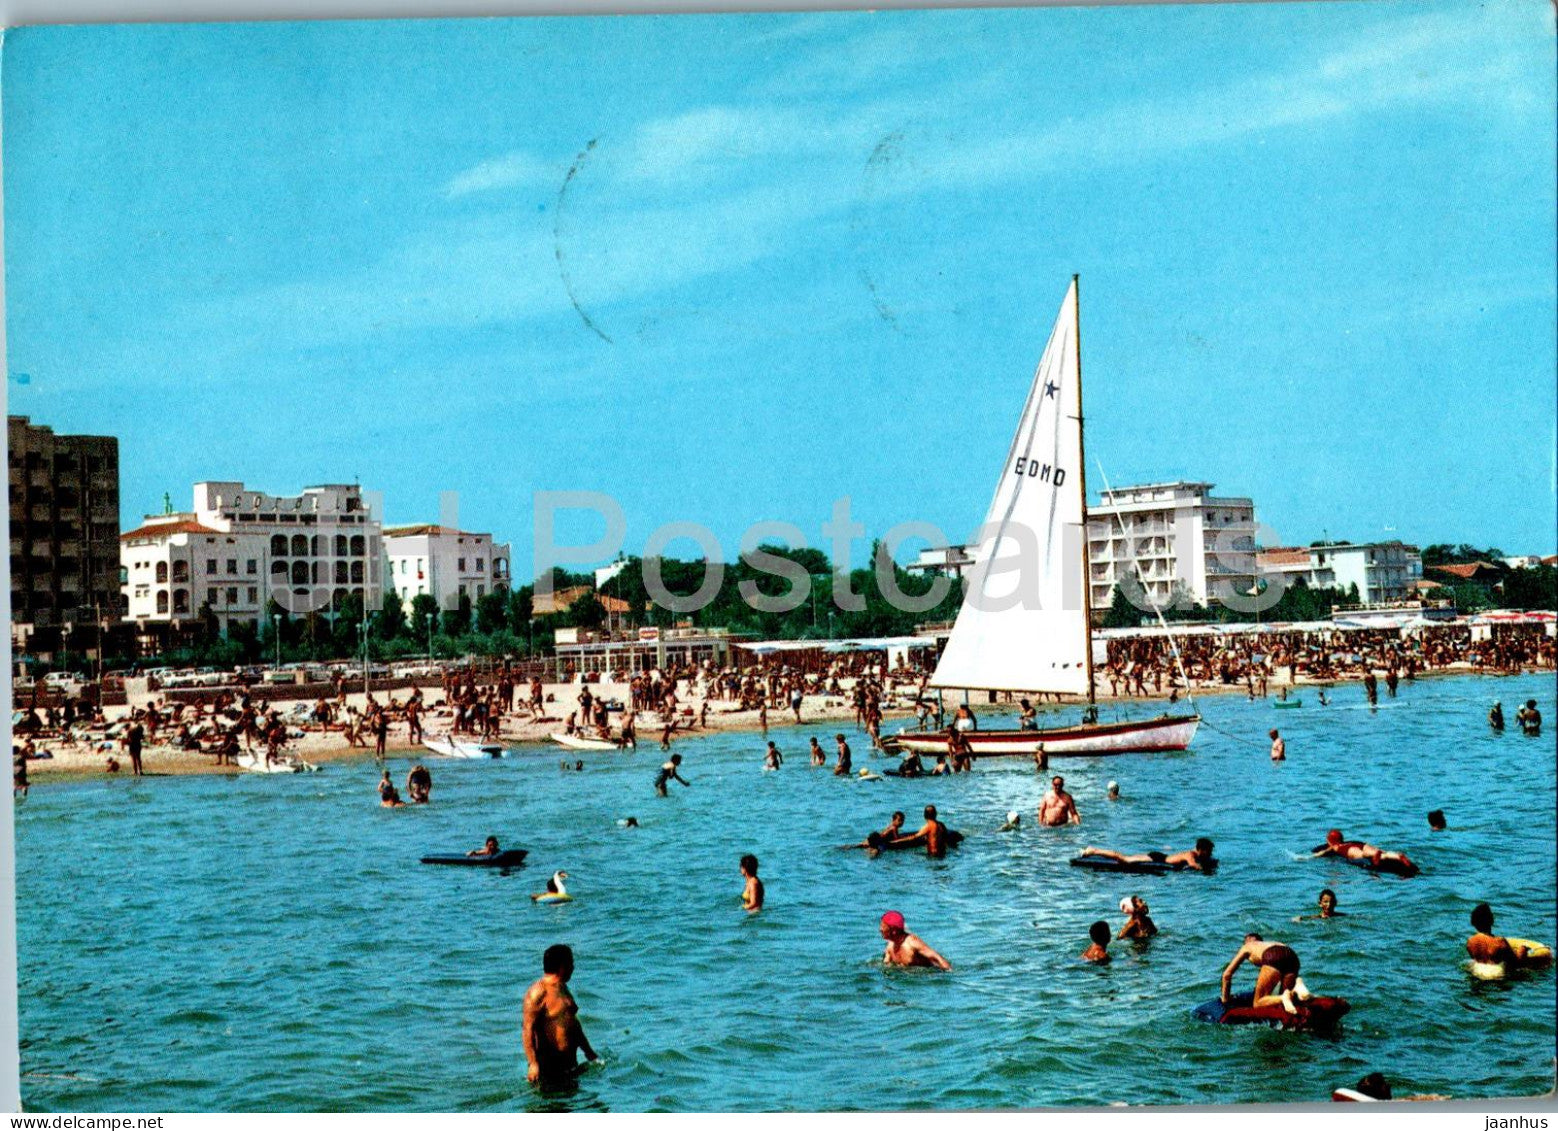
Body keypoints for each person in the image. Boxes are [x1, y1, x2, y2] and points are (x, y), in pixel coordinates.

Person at [521, 944, 599, 1086]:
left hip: (569, 1068)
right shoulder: (537, 992)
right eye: (572, 963)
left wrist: (589, 1052)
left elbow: (573, 1024)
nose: (574, 968)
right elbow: (528, 1029)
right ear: (563, 966)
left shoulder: (562, 987)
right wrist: (533, 1064)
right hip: (549, 1072)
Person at [1221, 933, 1310, 1013]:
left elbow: (1227, 975)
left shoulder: (1247, 946)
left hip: (1273, 954)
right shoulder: (1271, 943)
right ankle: (1297, 987)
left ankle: (1282, 997)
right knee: (1288, 1000)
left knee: (1258, 1003)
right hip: (1292, 955)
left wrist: (1225, 1001)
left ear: (1247, 941)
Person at [1312, 829, 1416, 874]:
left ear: (1330, 841)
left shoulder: (1336, 847)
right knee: (1384, 853)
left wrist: (1311, 857)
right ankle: (1397, 856)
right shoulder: (1352, 841)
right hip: (1361, 844)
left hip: (1350, 850)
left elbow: (1324, 852)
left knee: (1362, 855)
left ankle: (1375, 855)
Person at [1080, 838, 1216, 872]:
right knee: (1124, 859)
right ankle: (1094, 851)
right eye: (1209, 850)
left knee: (1125, 858)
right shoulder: (1190, 855)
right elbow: (1193, 865)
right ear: (1202, 850)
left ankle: (1094, 850)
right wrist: (1204, 869)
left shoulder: (1196, 854)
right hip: (1157, 858)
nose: (1210, 853)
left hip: (1161, 857)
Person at [879, 910, 951, 970]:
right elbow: (886, 965)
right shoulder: (890, 945)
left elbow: (938, 958)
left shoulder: (912, 943)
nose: (880, 929)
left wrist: (950, 974)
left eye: (883, 926)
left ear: (894, 930)